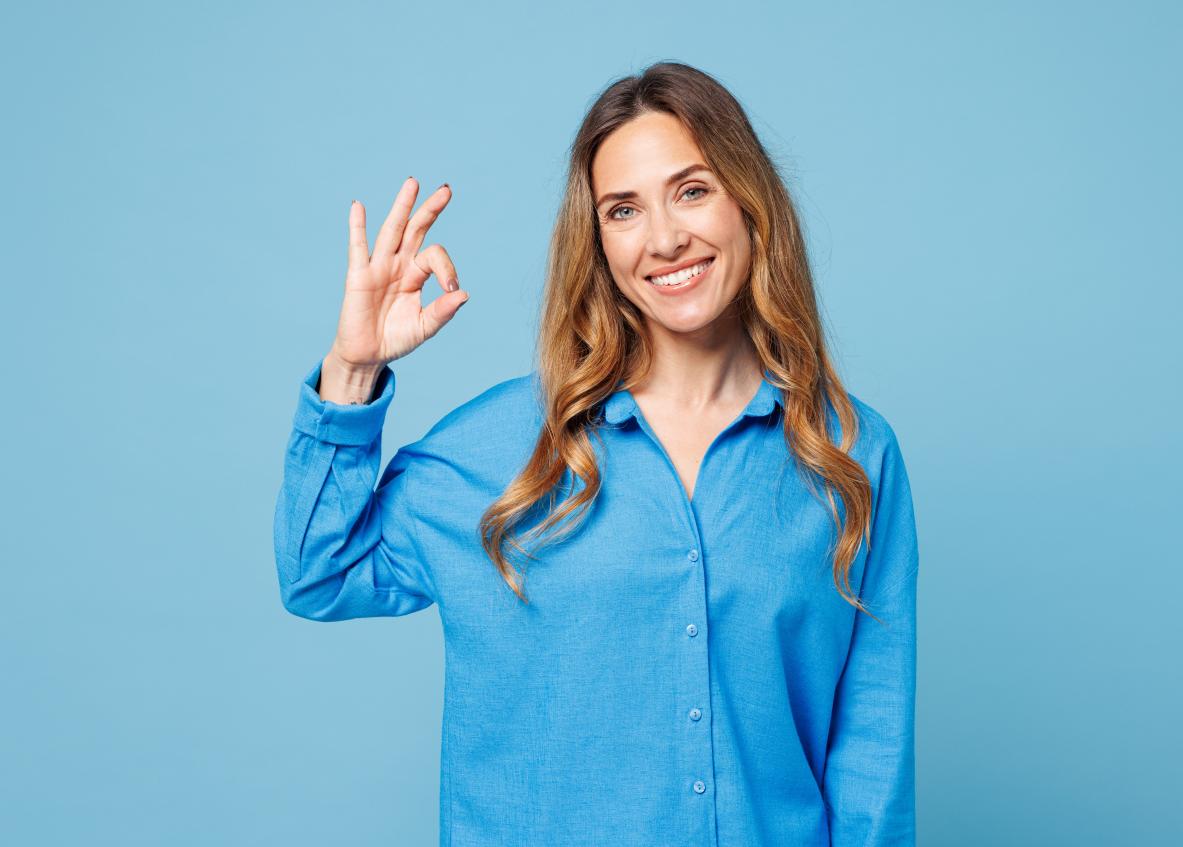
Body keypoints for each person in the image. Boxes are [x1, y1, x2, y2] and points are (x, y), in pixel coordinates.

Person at [273, 61, 919, 847]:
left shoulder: (851, 454)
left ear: (750, 202)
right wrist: (353, 368)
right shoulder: (497, 448)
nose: (665, 237)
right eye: (623, 209)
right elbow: (319, 573)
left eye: (692, 189)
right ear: (599, 243)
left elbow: (870, 755)